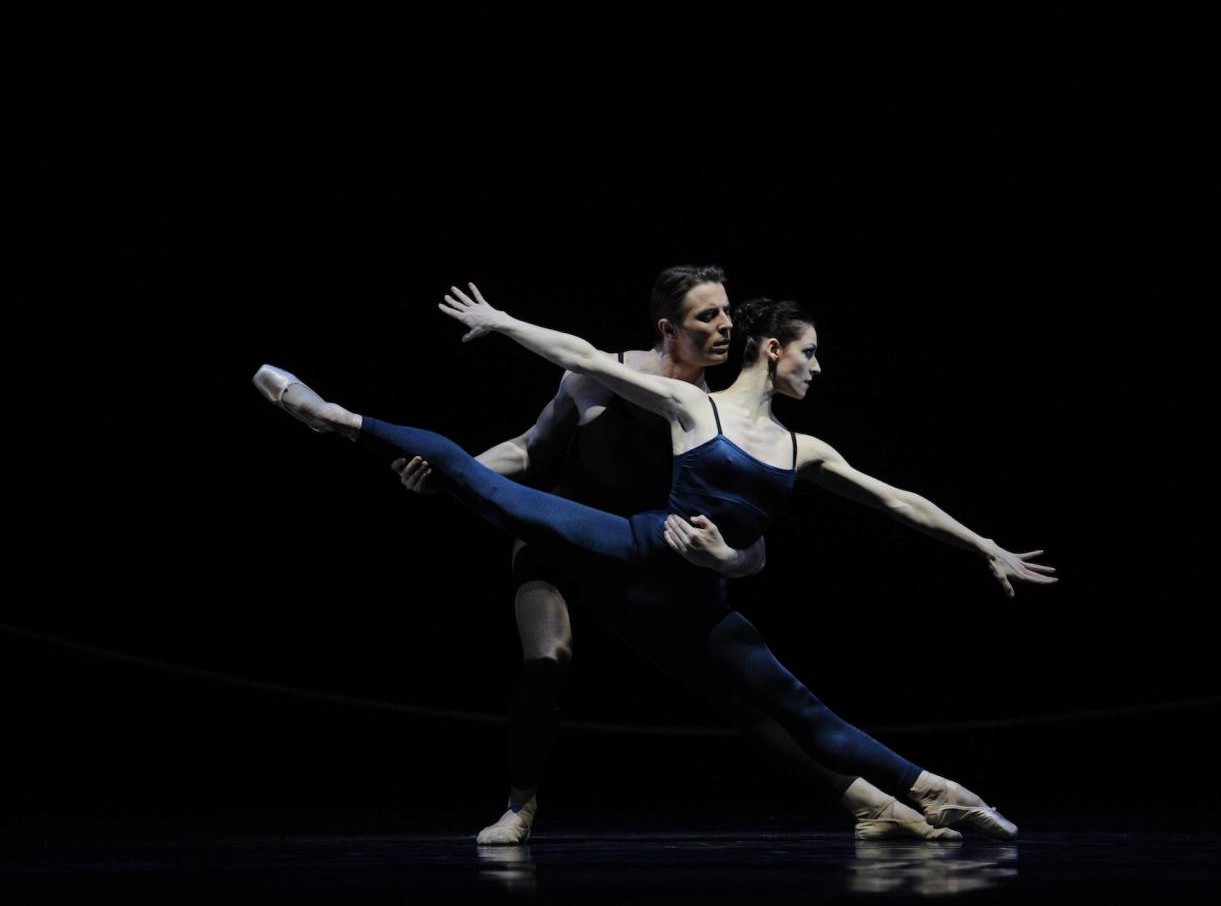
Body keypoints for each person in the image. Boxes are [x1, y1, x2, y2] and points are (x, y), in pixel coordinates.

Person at [252, 282, 1056, 840]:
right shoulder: (691, 404)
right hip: (630, 542)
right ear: (775, 352)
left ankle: (935, 794)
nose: (818, 367)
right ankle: (335, 416)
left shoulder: (807, 448)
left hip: (695, 597)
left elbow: (899, 500)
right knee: (486, 494)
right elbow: (585, 358)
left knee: (795, 706)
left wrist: (983, 545)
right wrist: (502, 322)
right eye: (809, 354)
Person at [390, 267, 944, 843]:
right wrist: (456, 472)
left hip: (638, 563)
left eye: (727, 312)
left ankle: (866, 800)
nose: (726, 326)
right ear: (669, 329)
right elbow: (529, 450)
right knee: (548, 658)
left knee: (732, 688)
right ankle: (519, 806)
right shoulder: (611, 375)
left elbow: (750, 539)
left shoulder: (717, 412)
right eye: (708, 316)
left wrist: (727, 558)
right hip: (559, 540)